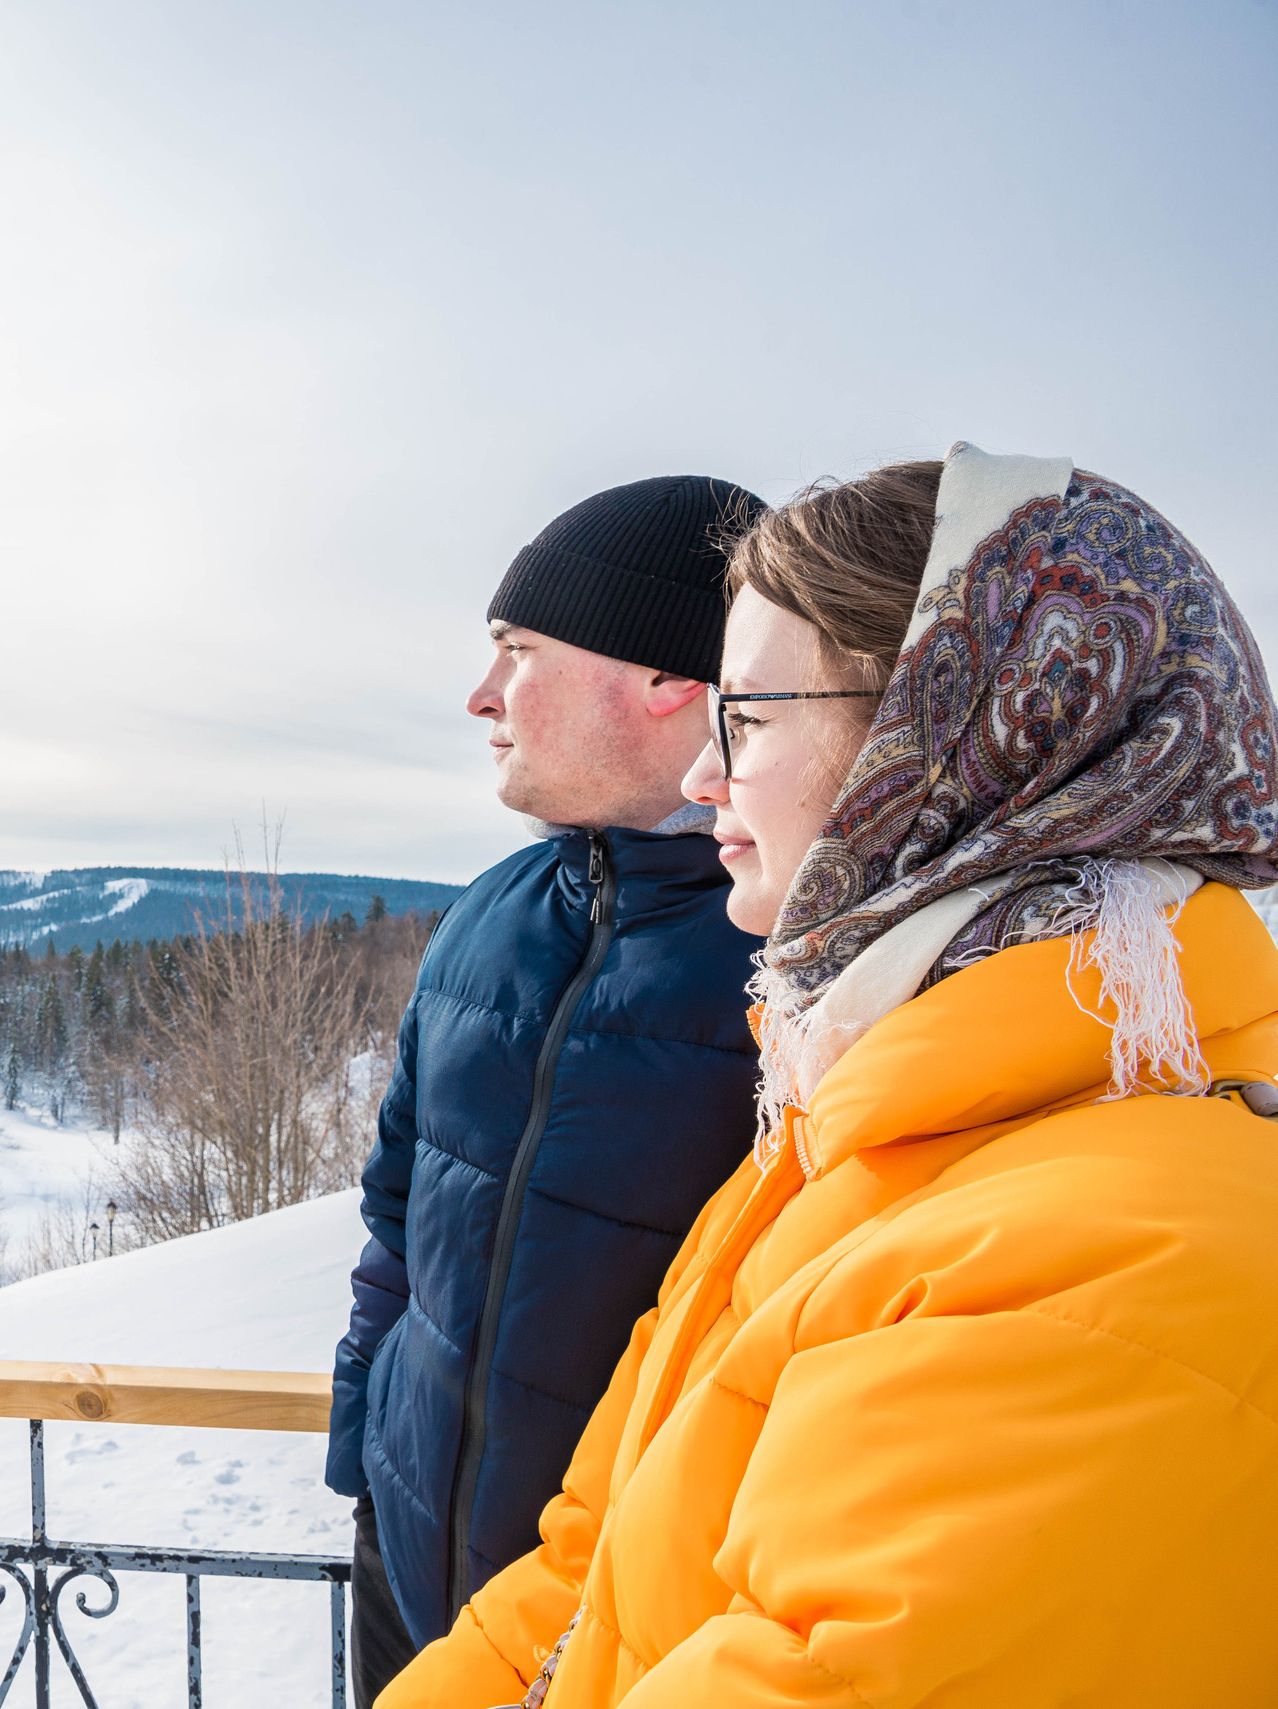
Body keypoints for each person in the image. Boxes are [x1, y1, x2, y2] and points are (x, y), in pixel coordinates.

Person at [383, 443, 1278, 1706]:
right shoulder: (846, 1124)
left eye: (743, 718)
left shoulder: (1099, 1266)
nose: (704, 775)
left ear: (945, 738)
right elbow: (596, 1566)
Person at [331, 475, 770, 1701]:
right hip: (409, 1577)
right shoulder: (489, 916)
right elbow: (396, 1218)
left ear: (665, 675)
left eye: (516, 650)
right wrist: (364, 1457)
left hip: (644, 1624)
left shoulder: (806, 956)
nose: (481, 695)